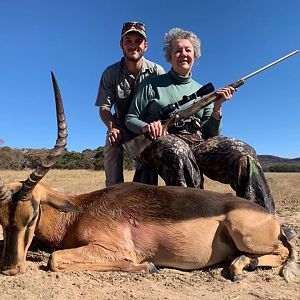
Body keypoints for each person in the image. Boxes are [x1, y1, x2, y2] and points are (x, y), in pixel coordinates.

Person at [125, 27, 296, 239]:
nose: (183, 54)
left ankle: (265, 223)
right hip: (159, 140)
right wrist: (146, 126)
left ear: (195, 55)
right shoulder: (152, 84)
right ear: (169, 56)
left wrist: (217, 108)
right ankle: (194, 227)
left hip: (196, 141)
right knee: (177, 150)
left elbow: (210, 132)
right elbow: (130, 118)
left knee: (243, 152)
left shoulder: (203, 90)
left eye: (188, 50)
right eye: (177, 50)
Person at [95, 21, 165, 187]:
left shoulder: (157, 71)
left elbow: (166, 104)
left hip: (148, 127)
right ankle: (112, 195)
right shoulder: (111, 73)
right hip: (121, 126)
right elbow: (104, 108)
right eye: (128, 41)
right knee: (111, 148)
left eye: (138, 41)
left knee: (162, 150)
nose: (133, 45)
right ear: (121, 44)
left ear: (145, 46)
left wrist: (155, 126)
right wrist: (112, 128)